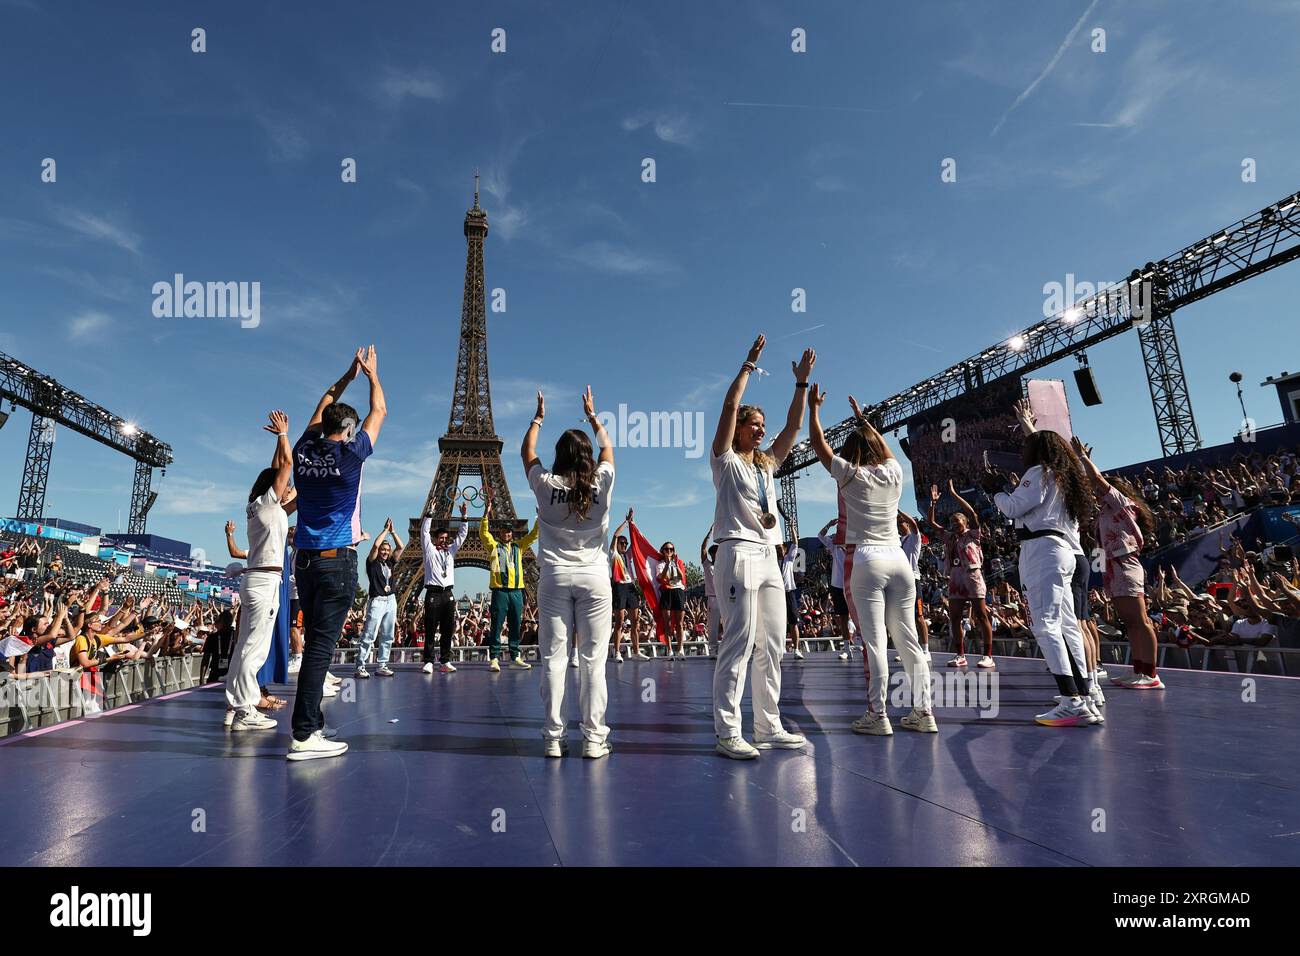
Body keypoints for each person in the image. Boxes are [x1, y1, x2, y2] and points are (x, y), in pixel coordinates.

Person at [710, 334, 813, 759]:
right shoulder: (725, 460)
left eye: (761, 426)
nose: (761, 430)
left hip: (768, 556)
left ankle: (768, 725)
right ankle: (727, 731)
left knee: (773, 643)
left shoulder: (767, 465)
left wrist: (801, 385)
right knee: (739, 641)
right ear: (740, 430)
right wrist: (748, 366)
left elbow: (793, 427)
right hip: (736, 551)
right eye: (754, 425)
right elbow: (729, 407)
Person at [810, 388, 936, 734]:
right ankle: (924, 713)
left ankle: (878, 715)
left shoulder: (850, 474)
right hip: (898, 559)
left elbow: (819, 444)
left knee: (874, 642)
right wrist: (864, 421)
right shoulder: (895, 473)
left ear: (851, 452)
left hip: (864, 558)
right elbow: (886, 450)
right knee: (909, 640)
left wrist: (813, 408)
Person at [288, 345, 386, 761]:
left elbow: (321, 406)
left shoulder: (302, 451)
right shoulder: (350, 455)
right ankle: (305, 732)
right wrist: (372, 376)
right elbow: (379, 411)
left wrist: (346, 377)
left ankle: (311, 726)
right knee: (319, 649)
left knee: (314, 644)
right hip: (336, 561)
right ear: (348, 429)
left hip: (304, 560)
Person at [524, 387, 616, 758]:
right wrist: (594, 416)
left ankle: (552, 737)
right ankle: (593, 739)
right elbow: (609, 450)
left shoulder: (546, 485)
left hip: (554, 577)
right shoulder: (602, 482)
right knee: (594, 662)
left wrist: (538, 418)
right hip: (594, 576)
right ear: (588, 457)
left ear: (558, 457)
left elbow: (527, 453)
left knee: (554, 659)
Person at [990, 419, 1101, 727]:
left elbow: (1013, 508)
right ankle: (1085, 695)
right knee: (1066, 625)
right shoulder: (1066, 479)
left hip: (1043, 550)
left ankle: (1070, 700)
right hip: (1063, 550)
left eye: (1027, 445)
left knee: (1046, 625)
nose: (1024, 449)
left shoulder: (1039, 472)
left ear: (1038, 450)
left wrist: (996, 491)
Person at [1072, 436, 1164, 690]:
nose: (1096, 494)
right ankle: (1139, 669)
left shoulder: (1123, 503)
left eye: (1099, 492)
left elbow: (1098, 481)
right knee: (1130, 621)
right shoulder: (1105, 512)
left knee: (1140, 619)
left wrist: (1083, 458)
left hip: (1125, 563)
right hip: (1113, 566)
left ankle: (1151, 674)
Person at [225, 410, 296, 731]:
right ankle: (244, 709)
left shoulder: (260, 507)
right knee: (254, 649)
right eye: (286, 486)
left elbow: (276, 471)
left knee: (246, 647)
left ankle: (240, 701)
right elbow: (284, 467)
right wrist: (283, 435)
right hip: (265, 581)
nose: (290, 488)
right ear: (275, 488)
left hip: (256, 578)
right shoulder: (269, 505)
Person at [927, 480, 995, 669]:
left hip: (972, 574)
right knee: (954, 616)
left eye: (958, 521)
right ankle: (960, 655)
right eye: (952, 522)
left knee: (981, 615)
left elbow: (972, 513)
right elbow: (931, 523)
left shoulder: (973, 534)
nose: (954, 524)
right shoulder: (949, 537)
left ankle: (988, 655)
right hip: (955, 576)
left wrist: (955, 494)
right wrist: (933, 503)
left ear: (965, 522)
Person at [480, 484, 538, 672]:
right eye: (504, 531)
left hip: (516, 591)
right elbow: (483, 533)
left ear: (512, 534)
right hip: (500, 591)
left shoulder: (518, 547)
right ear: (500, 534)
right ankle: (494, 658)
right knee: (497, 625)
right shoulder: (493, 546)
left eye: (509, 531)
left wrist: (540, 517)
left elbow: (534, 536)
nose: (507, 533)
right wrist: (486, 513)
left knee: (515, 624)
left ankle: (515, 656)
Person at [419, 502, 469, 674]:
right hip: (433, 593)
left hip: (448, 593)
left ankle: (445, 661)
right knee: (431, 628)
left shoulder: (451, 551)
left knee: (448, 629)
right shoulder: (430, 550)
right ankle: (428, 661)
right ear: (435, 539)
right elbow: (424, 532)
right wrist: (430, 513)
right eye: (441, 538)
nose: (444, 540)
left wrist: (464, 517)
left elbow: (462, 536)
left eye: (446, 538)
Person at [355, 518, 404, 678]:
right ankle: (361, 666)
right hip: (377, 600)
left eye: (387, 550)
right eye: (383, 549)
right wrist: (385, 530)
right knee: (369, 634)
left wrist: (393, 532)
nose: (384, 551)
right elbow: (375, 545)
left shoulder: (390, 562)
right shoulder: (372, 563)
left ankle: (382, 664)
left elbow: (401, 547)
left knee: (388, 634)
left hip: (391, 600)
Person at [817, 518, 853, 660]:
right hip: (837, 585)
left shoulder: (853, 547)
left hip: (853, 584)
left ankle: (865, 646)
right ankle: (847, 649)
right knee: (843, 617)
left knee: (860, 617)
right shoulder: (834, 546)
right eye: (837, 532)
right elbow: (820, 536)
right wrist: (829, 525)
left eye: (840, 532)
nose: (838, 534)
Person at [897, 511, 931, 662]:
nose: (900, 525)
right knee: (904, 618)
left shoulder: (915, 538)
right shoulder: (896, 541)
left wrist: (898, 510)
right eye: (898, 524)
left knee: (919, 617)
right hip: (900, 582)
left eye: (902, 523)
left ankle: (925, 649)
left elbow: (914, 524)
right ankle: (909, 649)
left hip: (913, 580)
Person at [608, 510, 642, 662]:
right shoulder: (613, 554)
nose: (624, 545)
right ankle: (617, 652)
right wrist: (626, 522)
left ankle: (636, 651)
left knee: (635, 620)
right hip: (619, 586)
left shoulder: (627, 556)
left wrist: (633, 525)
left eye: (625, 543)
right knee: (620, 621)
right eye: (622, 543)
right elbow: (615, 535)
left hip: (630, 586)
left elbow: (635, 543)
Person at [657, 541, 689, 658]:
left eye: (671, 549)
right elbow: (661, 577)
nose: (669, 551)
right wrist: (667, 564)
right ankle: (670, 650)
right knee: (668, 623)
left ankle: (681, 649)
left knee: (679, 623)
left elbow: (681, 577)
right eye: (666, 549)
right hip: (667, 592)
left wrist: (675, 564)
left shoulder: (679, 563)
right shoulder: (660, 565)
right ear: (663, 551)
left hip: (678, 591)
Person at [700, 525, 720, 657]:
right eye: (713, 553)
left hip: (725, 597)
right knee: (713, 625)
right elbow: (703, 549)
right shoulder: (707, 565)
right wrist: (710, 533)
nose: (715, 555)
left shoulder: (725, 565)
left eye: (717, 552)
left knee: (730, 624)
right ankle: (713, 649)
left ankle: (727, 649)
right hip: (713, 598)